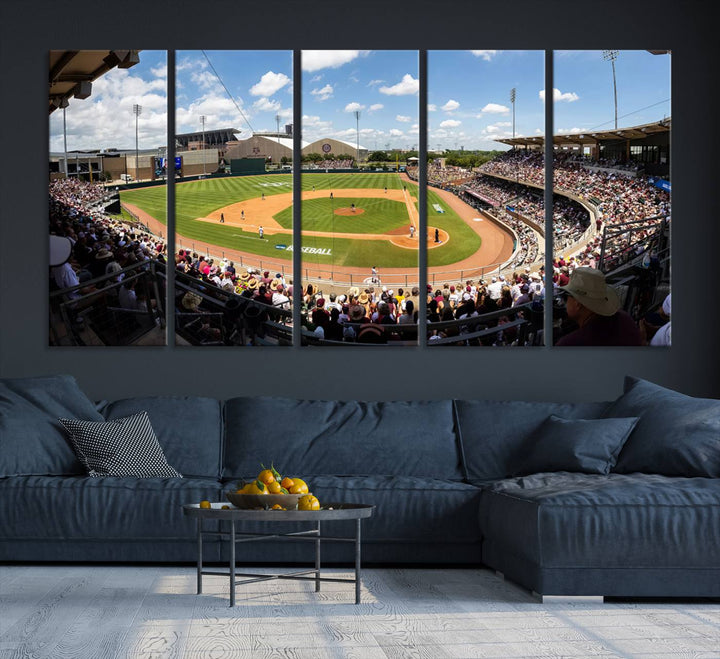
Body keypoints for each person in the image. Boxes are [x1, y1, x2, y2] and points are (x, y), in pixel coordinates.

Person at [556, 267, 642, 346]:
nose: (565, 301)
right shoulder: (624, 318)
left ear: (577, 303)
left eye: (566, 296)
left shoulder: (569, 344)